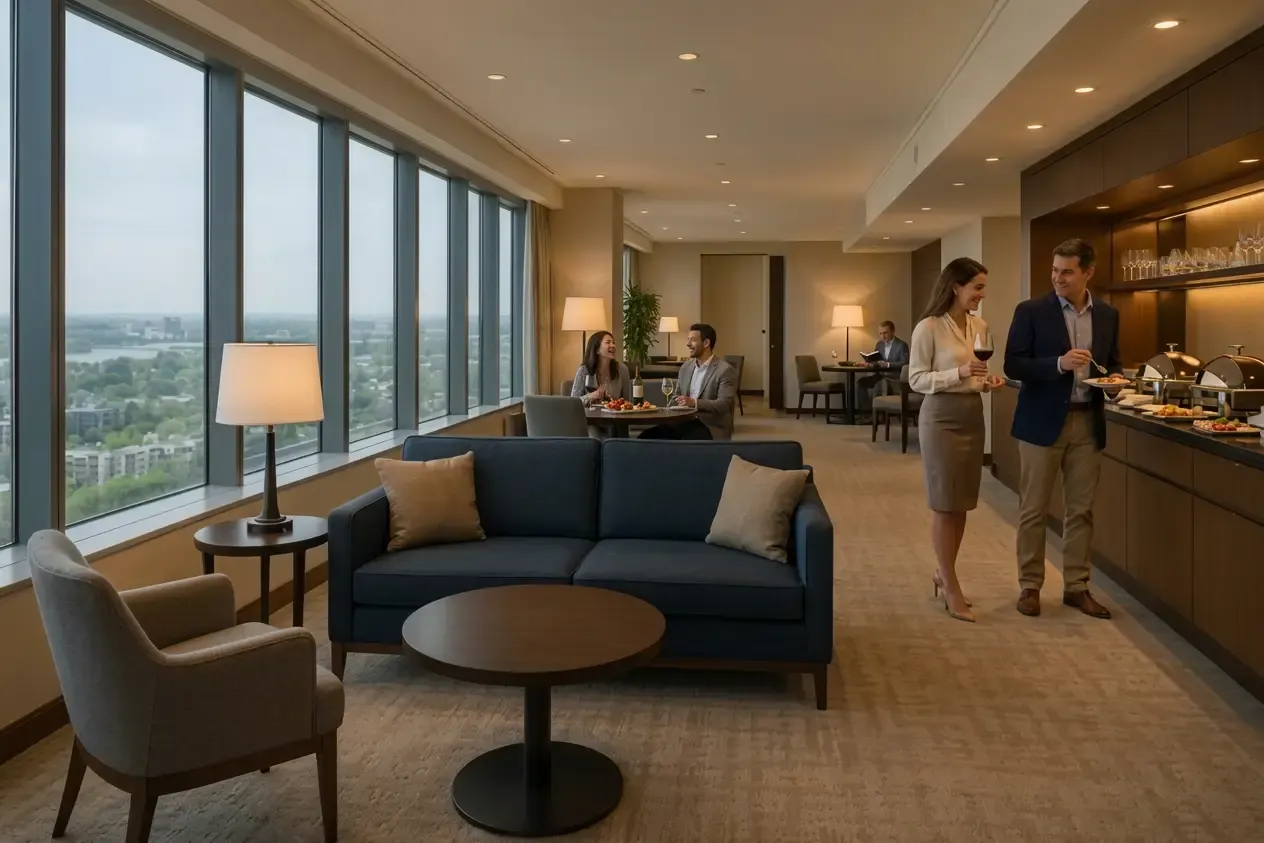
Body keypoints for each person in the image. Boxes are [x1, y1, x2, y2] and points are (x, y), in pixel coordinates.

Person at [1005, 238, 1122, 620]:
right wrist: (1058, 363)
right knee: (1033, 508)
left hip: (1088, 421)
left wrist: (1117, 381)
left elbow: (1113, 363)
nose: (1058, 278)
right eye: (1055, 270)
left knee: (1081, 511)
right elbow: (1013, 365)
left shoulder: (1107, 315)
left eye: (1067, 272)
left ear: (1088, 272)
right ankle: (1030, 585)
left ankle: (1076, 587)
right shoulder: (1031, 311)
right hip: (1041, 421)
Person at [909, 258, 1006, 623]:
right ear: (956, 286)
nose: (982, 294)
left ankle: (943, 572)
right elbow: (917, 380)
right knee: (944, 503)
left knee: (962, 503)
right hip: (940, 419)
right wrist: (961, 372)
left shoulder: (979, 325)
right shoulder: (928, 328)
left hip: (970, 416)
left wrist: (985, 381)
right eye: (977, 287)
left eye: (983, 287)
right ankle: (950, 584)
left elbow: (977, 373)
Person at [640, 323, 737, 440]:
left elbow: (724, 405)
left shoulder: (725, 370)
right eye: (688, 340)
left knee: (685, 442)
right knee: (646, 437)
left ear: (706, 343)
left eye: (693, 340)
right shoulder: (686, 367)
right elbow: (676, 397)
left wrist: (694, 402)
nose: (688, 344)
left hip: (708, 426)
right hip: (682, 421)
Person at [857, 320, 910, 405]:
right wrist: (869, 364)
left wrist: (888, 364)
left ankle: (882, 413)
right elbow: (876, 361)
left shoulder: (902, 345)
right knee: (861, 383)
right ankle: (867, 412)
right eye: (880, 334)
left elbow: (905, 363)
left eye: (885, 333)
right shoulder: (879, 345)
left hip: (894, 378)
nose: (883, 337)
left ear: (893, 331)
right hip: (880, 376)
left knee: (881, 384)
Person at [571, 330, 630, 405]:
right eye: (608, 342)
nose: (613, 345)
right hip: (588, 416)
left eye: (613, 343)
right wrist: (591, 396)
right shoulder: (584, 370)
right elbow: (573, 402)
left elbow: (627, 402)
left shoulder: (622, 369)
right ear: (597, 349)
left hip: (613, 416)